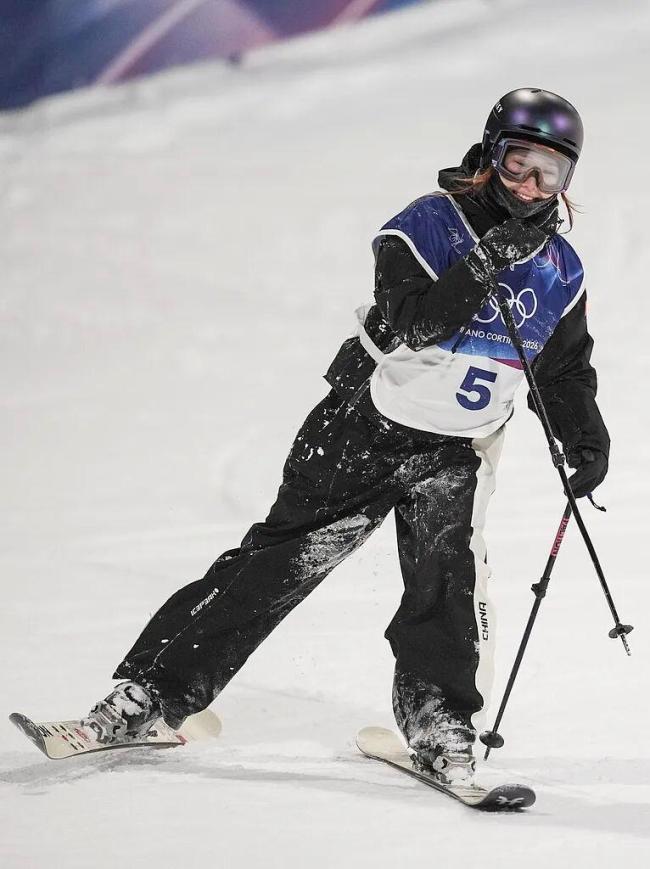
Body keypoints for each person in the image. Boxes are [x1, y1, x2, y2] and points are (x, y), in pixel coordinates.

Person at [85, 88, 609, 786]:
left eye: (551, 173)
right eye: (519, 164)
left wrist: (583, 437)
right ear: (490, 154)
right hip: (364, 428)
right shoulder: (425, 226)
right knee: (274, 568)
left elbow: (564, 368)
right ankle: (148, 696)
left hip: (454, 451)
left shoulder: (560, 270)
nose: (531, 186)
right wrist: (486, 261)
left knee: (444, 593)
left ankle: (440, 727)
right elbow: (414, 321)